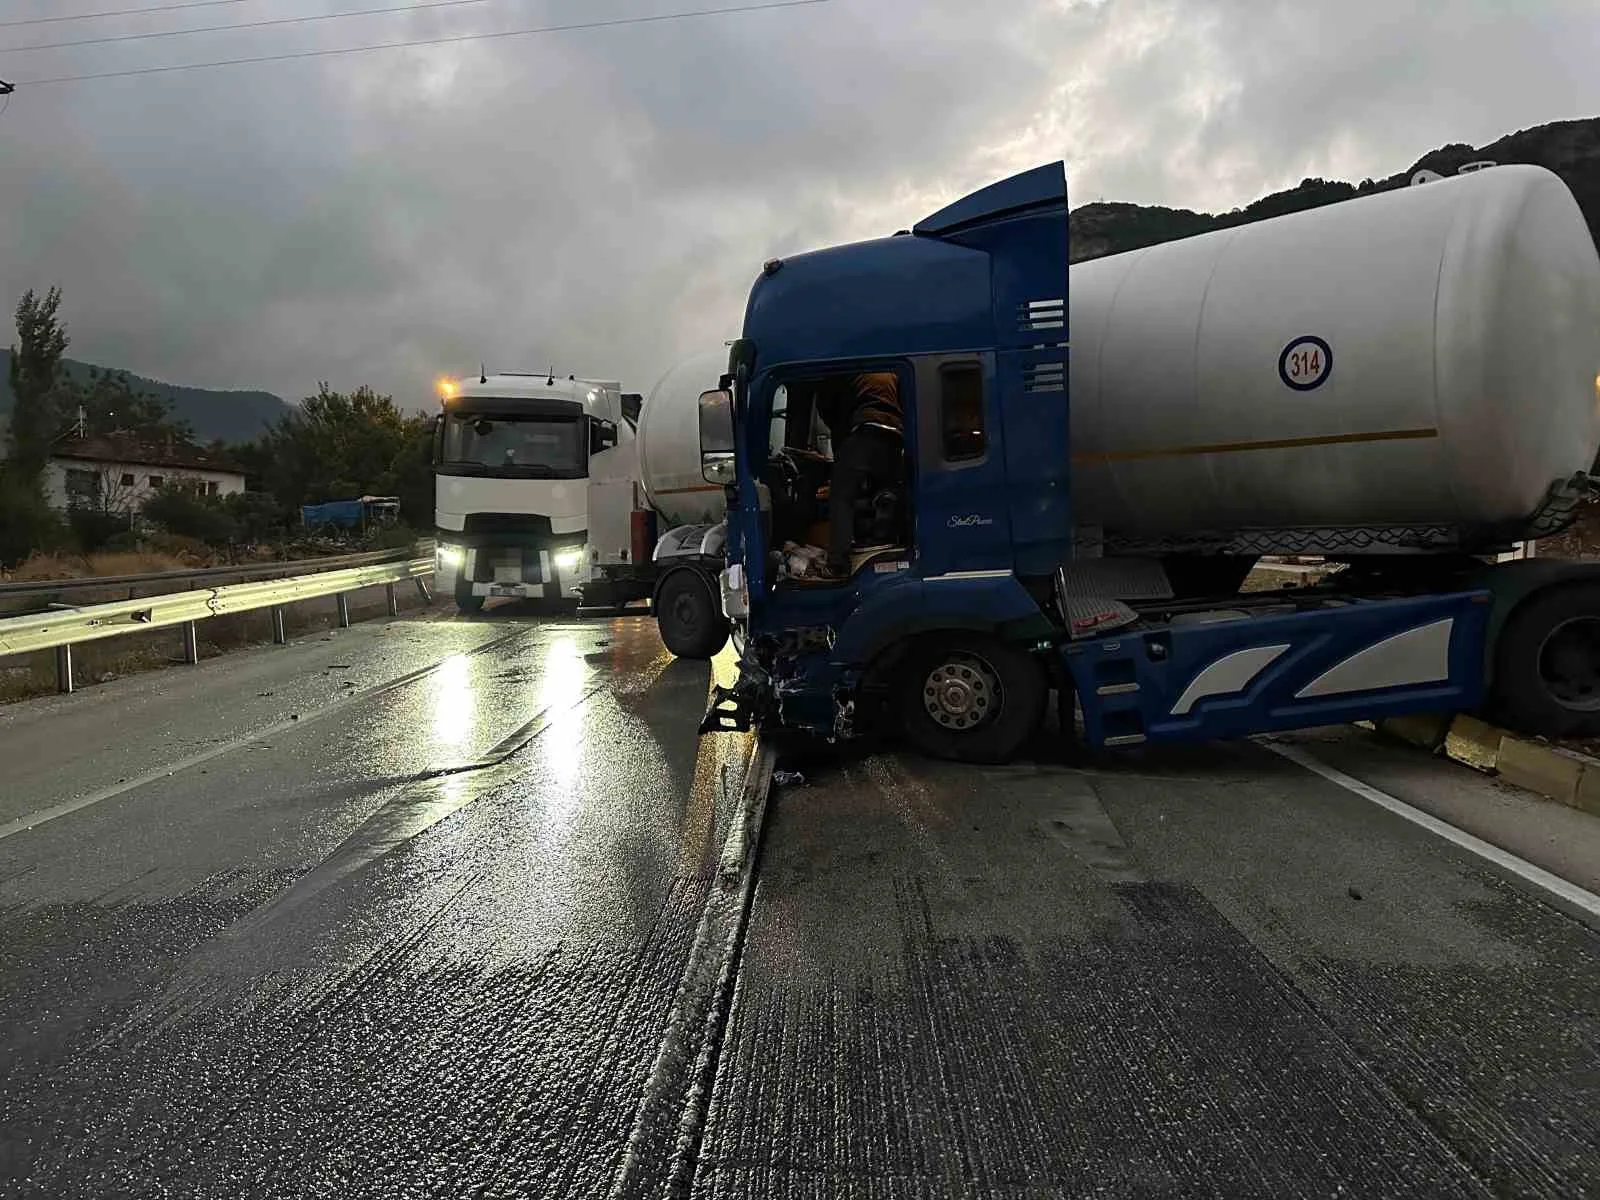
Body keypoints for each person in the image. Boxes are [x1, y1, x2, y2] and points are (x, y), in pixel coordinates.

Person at [825, 372, 904, 577]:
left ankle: (837, 564)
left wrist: (841, 450)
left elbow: (834, 412)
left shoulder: (850, 369)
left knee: (842, 496)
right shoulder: (890, 373)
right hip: (895, 434)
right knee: (887, 490)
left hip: (866, 426)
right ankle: (886, 538)